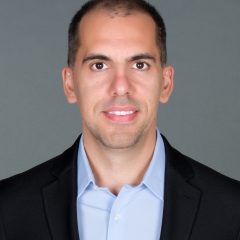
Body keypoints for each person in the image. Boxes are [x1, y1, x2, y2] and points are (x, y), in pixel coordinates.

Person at [0, 0, 240, 239]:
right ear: (70, 84)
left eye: (139, 64)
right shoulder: (7, 209)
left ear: (165, 83)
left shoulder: (232, 211)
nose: (121, 87)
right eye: (99, 65)